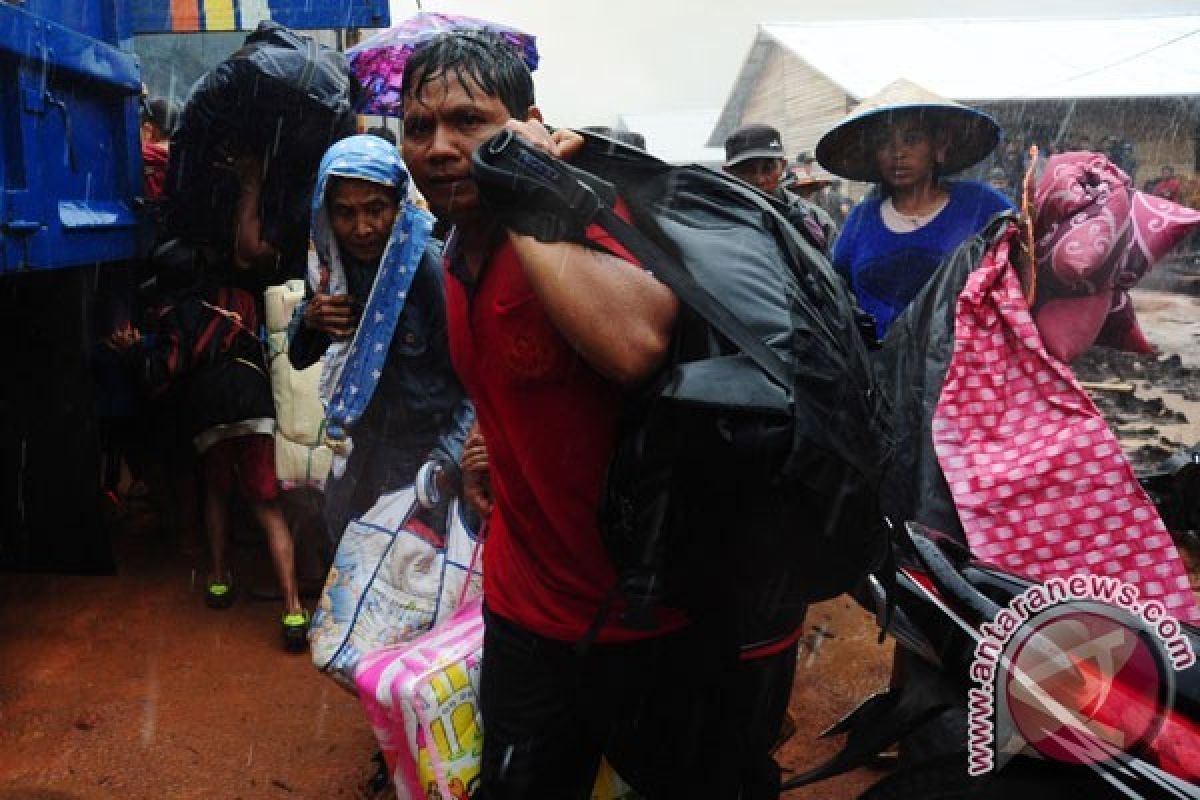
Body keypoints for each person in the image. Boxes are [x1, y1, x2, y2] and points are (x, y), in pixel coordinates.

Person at [401, 31, 789, 799]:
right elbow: (515, 381)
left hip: (649, 624)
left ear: (531, 124)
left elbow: (636, 343)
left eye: (469, 122)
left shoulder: (579, 221)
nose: (440, 147)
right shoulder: (451, 252)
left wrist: (529, 193)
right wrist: (492, 453)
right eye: (418, 127)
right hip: (523, 613)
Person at [108, 264, 309, 651]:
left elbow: (163, 374)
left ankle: (218, 580)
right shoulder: (243, 300)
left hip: (211, 408)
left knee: (216, 494)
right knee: (267, 507)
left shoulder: (177, 315)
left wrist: (133, 354)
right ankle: (293, 609)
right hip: (254, 399)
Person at [287, 134, 473, 543]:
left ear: (399, 207)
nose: (362, 228)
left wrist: (446, 463)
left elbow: (477, 386)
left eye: (376, 209)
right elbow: (299, 357)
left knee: (407, 589)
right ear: (326, 214)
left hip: (422, 467)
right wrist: (311, 319)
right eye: (345, 213)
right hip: (355, 460)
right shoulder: (329, 270)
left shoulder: (428, 271)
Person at [817, 79, 1013, 338]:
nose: (898, 153)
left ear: (939, 147)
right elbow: (837, 292)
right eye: (885, 143)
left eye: (911, 140)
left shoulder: (982, 206)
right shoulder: (861, 221)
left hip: (965, 369)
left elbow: (1021, 273)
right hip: (878, 370)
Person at [723, 123, 836, 252]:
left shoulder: (813, 219)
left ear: (782, 166)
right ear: (728, 172)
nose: (759, 179)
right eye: (746, 170)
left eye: (768, 168)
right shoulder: (714, 218)